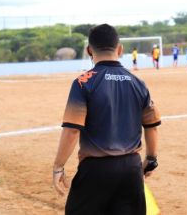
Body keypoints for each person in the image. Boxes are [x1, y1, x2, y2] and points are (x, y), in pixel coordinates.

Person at [52, 24, 161, 215]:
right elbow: (151, 126)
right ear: (119, 49)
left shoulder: (83, 82)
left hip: (95, 170)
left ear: (89, 50)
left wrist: (58, 166)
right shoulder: (138, 83)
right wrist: (151, 160)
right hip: (131, 169)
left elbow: (72, 130)